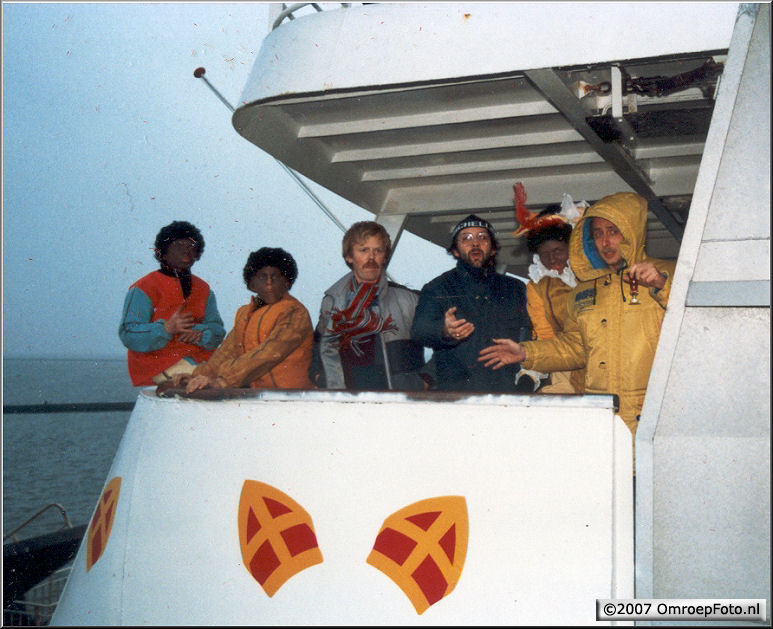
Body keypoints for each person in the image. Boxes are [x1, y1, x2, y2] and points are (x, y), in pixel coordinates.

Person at [478, 192, 676, 471]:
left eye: (613, 232)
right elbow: (573, 348)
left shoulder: (669, 273)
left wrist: (661, 286)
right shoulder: (584, 292)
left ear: (631, 230)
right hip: (601, 418)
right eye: (597, 234)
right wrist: (525, 352)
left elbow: (700, 332)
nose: (605, 242)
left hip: (654, 421)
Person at [410, 214, 532, 393]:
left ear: (493, 249)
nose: (475, 243)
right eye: (466, 238)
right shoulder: (436, 288)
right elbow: (419, 331)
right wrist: (445, 331)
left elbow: (532, 333)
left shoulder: (516, 288)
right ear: (455, 251)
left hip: (507, 392)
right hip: (456, 394)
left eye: (482, 237)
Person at [310, 221, 429, 391]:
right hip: (346, 403)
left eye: (378, 251)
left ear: (385, 256)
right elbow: (317, 347)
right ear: (349, 256)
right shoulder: (331, 302)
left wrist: (426, 379)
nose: (371, 258)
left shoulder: (410, 300)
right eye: (363, 250)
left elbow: (446, 343)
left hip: (398, 404)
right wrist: (318, 376)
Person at [175, 247, 314, 393]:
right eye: (262, 277)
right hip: (258, 397)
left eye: (276, 276)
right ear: (251, 284)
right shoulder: (244, 314)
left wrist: (223, 381)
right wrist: (197, 376)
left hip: (293, 398)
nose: (269, 283)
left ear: (287, 282)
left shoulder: (294, 312)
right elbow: (226, 353)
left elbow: (270, 352)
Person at [119, 220, 226, 386]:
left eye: (191, 246)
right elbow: (128, 334)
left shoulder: (204, 289)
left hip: (201, 361)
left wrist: (202, 334)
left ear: (198, 253)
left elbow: (218, 330)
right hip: (159, 365)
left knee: (238, 374)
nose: (186, 251)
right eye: (179, 245)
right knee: (220, 380)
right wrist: (166, 329)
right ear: (163, 252)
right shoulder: (143, 288)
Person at [512, 185, 588, 394]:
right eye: (544, 254)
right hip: (567, 377)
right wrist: (529, 375)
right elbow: (545, 338)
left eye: (557, 251)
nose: (552, 259)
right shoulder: (538, 288)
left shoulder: (596, 273)